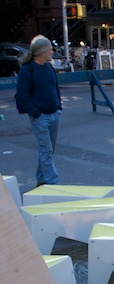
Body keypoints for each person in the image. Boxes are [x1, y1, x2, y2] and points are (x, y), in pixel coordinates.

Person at [15, 34, 62, 187]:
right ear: (43, 52)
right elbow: (22, 95)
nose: (52, 52)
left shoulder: (49, 68)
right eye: (50, 49)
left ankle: (41, 179)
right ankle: (52, 184)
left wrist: (58, 107)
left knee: (48, 150)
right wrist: (35, 112)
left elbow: (55, 88)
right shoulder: (28, 70)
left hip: (54, 114)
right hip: (40, 116)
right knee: (46, 150)